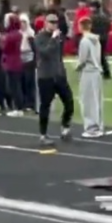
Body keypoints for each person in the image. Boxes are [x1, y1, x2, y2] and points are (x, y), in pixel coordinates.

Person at [34, 13, 75, 148]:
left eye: (55, 22)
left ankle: (65, 126)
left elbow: (59, 53)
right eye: (51, 22)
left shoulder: (59, 37)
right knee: (45, 106)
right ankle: (43, 134)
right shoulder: (39, 38)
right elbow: (44, 53)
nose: (53, 24)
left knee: (69, 101)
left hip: (59, 75)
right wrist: (52, 39)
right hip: (45, 76)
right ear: (46, 23)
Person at [75, 17, 105, 138]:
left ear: (81, 26)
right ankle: (99, 126)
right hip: (97, 72)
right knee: (97, 100)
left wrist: (76, 67)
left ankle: (92, 128)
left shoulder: (84, 41)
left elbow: (82, 59)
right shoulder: (96, 40)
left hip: (88, 72)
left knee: (87, 101)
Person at [1, 14, 26, 115]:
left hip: (11, 62)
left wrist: (1, 40)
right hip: (16, 61)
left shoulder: (11, 36)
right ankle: (18, 107)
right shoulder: (17, 34)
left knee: (13, 87)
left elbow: (5, 48)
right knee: (16, 86)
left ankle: (18, 108)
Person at [89, 0, 112, 79]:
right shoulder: (104, 17)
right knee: (101, 55)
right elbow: (109, 26)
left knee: (97, 56)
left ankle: (103, 72)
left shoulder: (92, 17)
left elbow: (90, 28)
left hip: (95, 38)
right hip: (104, 37)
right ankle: (105, 71)